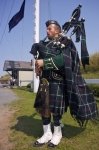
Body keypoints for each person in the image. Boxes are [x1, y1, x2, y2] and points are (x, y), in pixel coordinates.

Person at [30, 20, 98, 148]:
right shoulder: (43, 44)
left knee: (56, 110)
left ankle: (57, 134)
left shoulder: (66, 42)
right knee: (44, 108)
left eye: (50, 28)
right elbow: (39, 60)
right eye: (47, 29)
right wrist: (38, 67)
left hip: (57, 81)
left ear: (57, 30)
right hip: (45, 81)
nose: (47, 31)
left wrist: (45, 62)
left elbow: (66, 60)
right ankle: (47, 133)